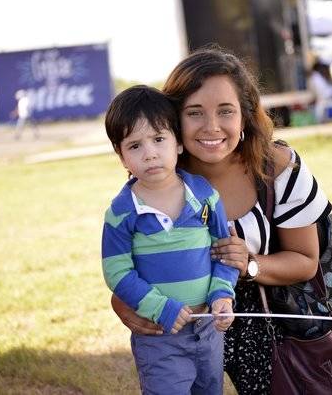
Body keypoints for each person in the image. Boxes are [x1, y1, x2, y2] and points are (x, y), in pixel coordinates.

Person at [111, 48, 332, 394]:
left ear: (244, 116)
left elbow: (306, 261)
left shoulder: (277, 167)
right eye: (194, 112)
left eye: (225, 111)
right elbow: (130, 257)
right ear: (173, 121)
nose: (211, 127)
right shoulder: (158, 177)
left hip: (267, 315)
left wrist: (249, 264)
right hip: (186, 318)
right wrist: (123, 304)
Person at [102, 85, 239, 394]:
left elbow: (224, 254)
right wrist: (158, 307)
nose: (150, 152)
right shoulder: (122, 213)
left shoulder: (204, 197)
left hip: (207, 328)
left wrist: (222, 294)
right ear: (121, 156)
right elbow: (117, 272)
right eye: (134, 145)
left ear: (178, 143)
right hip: (160, 334)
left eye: (159, 139)